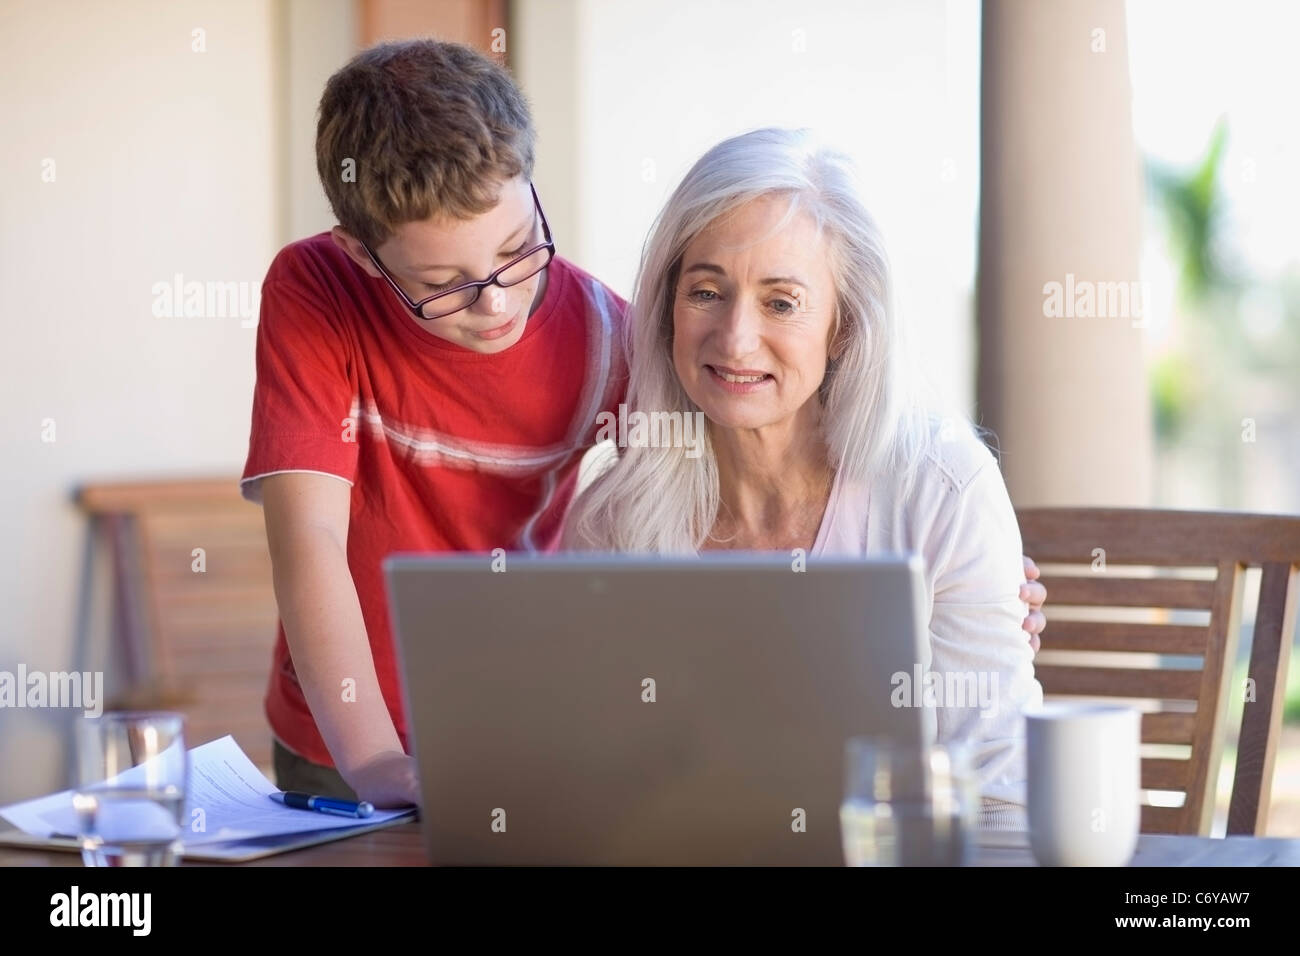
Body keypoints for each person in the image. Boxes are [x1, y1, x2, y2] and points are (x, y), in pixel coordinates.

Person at [242, 39, 1047, 809]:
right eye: (443, 284)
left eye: (519, 250)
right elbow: (309, 538)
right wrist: (378, 757)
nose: (496, 303)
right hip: (350, 735)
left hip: (519, 745)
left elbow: (745, 420)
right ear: (361, 254)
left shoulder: (607, 339)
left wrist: (971, 590)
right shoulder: (320, 294)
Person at [565, 127, 1045, 824]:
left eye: (781, 302)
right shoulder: (615, 519)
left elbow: (998, 795)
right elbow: (595, 783)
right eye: (706, 291)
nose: (734, 338)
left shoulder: (940, 489)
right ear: (668, 307)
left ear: (844, 327)